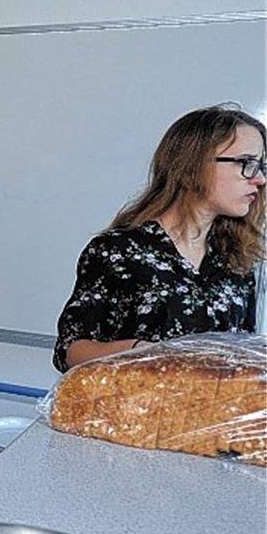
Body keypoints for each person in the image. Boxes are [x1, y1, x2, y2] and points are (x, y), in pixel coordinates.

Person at [54, 104, 265, 372]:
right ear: (193, 166)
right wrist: (146, 352)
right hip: (134, 411)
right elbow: (70, 350)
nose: (259, 179)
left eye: (262, 166)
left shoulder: (237, 261)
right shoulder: (119, 252)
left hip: (214, 413)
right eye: (246, 163)